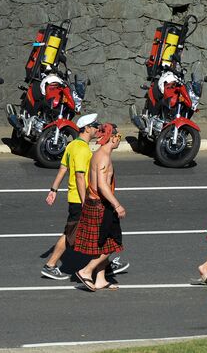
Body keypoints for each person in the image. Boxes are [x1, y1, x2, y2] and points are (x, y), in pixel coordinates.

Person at [41, 114, 129, 280]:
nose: (97, 129)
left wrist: (53, 189)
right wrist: (85, 202)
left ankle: (105, 266)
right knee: (71, 234)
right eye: (95, 126)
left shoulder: (72, 145)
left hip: (73, 196)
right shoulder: (82, 150)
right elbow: (81, 176)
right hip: (79, 198)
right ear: (87, 128)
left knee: (95, 232)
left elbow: (62, 168)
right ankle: (50, 265)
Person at [74, 124, 125, 291]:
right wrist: (117, 205)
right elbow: (103, 186)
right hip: (101, 205)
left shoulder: (97, 154)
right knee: (113, 242)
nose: (119, 140)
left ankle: (100, 278)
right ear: (113, 137)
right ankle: (86, 271)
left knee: (104, 243)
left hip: (93, 202)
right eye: (120, 136)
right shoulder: (104, 158)